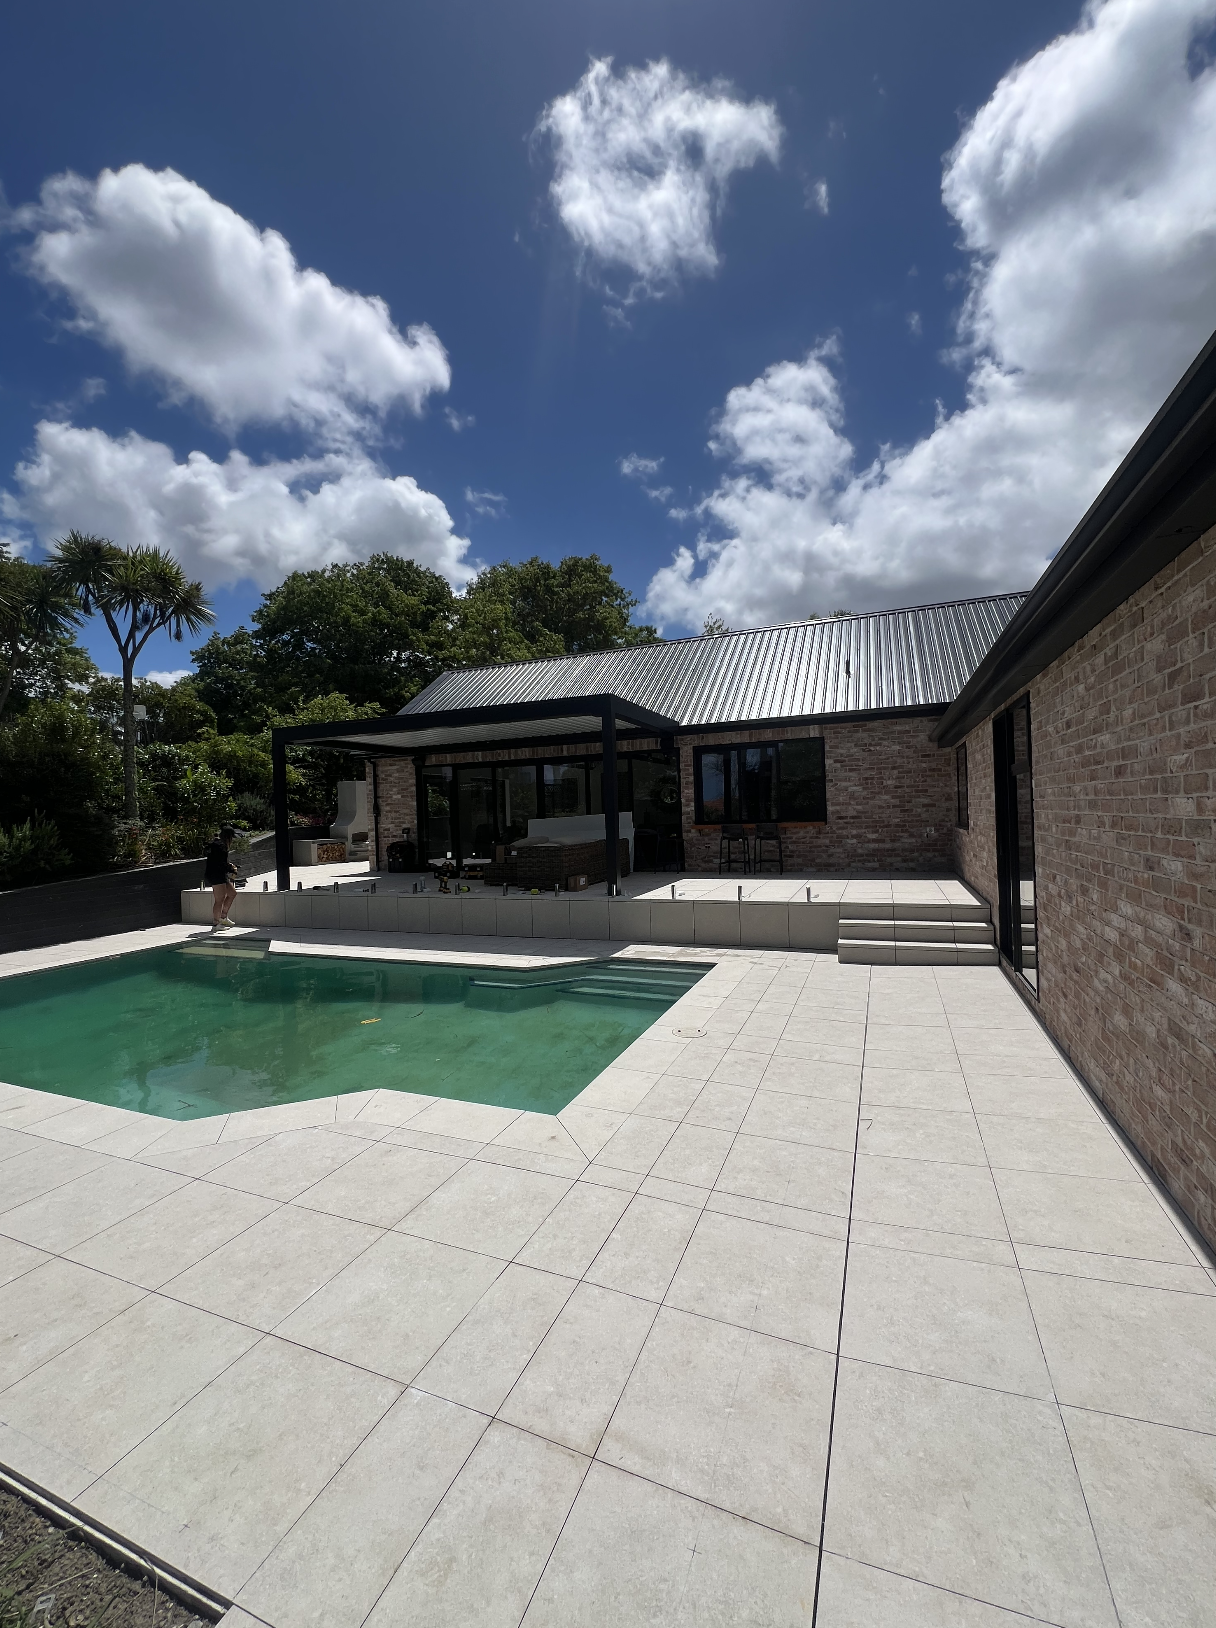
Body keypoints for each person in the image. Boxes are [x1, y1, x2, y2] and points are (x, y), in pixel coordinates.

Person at [204, 826, 238, 931]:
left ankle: (223, 917)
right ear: (228, 837)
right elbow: (220, 863)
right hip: (216, 874)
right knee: (219, 900)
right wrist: (230, 868)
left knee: (232, 893)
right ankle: (216, 923)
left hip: (218, 873)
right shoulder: (221, 847)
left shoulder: (217, 845)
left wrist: (229, 866)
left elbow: (218, 861)